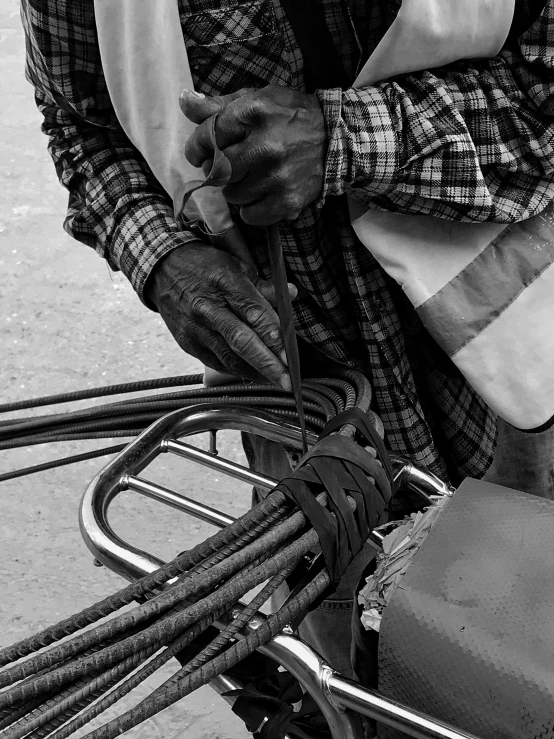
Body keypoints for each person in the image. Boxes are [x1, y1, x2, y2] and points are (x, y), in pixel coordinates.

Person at [22, 0, 554, 675]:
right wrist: (161, 257)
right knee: (354, 683)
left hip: (525, 361)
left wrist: (342, 138)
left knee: (526, 669)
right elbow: (81, 123)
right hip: (296, 403)